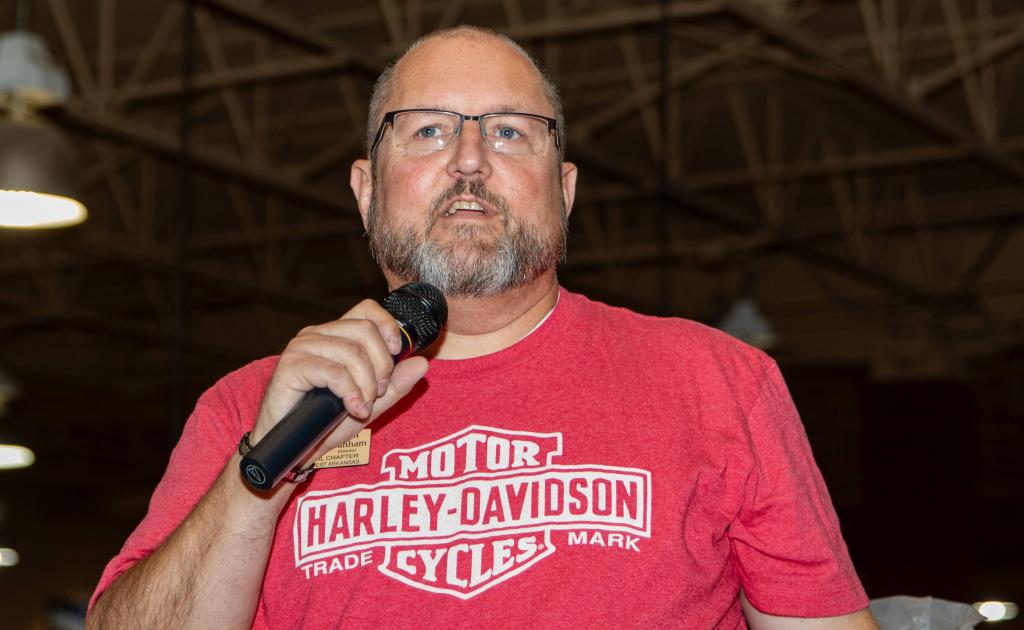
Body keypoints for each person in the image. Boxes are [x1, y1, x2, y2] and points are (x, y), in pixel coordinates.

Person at [87, 26, 878, 629]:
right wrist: (260, 477)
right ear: (366, 191)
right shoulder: (252, 409)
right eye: (428, 130)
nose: (470, 159)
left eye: (508, 131)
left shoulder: (716, 381)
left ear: (565, 191)